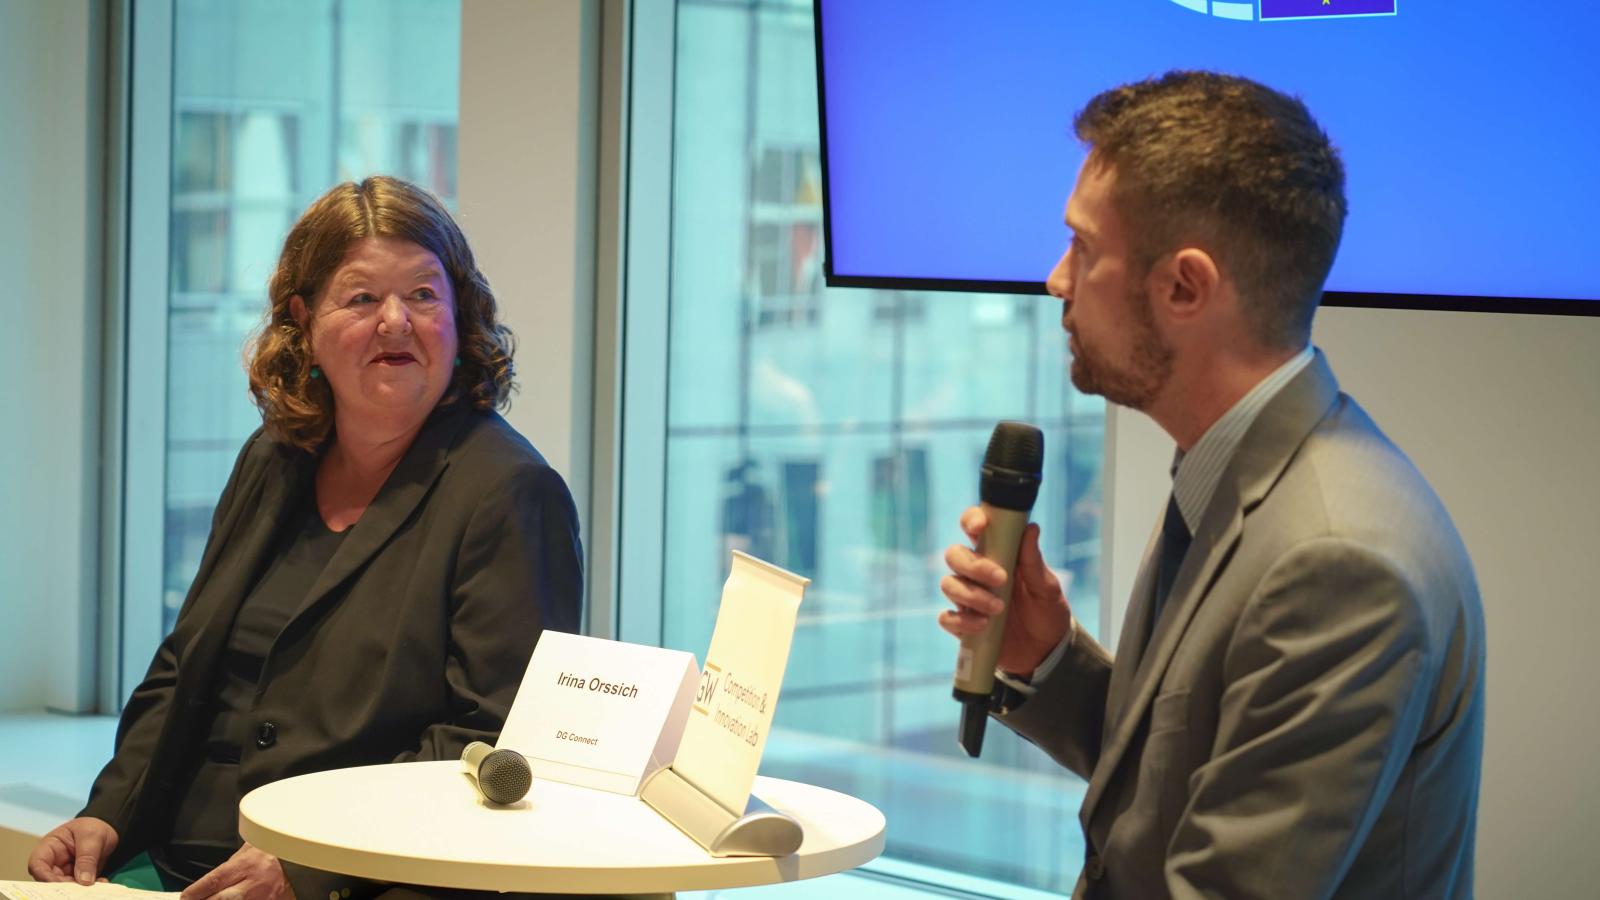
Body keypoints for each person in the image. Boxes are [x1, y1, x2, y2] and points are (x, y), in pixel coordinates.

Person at [939, 72, 1484, 899]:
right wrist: (1046, 658)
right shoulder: (1239, 467)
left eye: (1084, 249)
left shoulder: (1339, 565)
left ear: (1185, 287)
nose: (1057, 280)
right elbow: (1171, 780)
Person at [27, 176, 583, 900]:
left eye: (423, 295)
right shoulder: (274, 455)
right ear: (304, 320)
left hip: (351, 878)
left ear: (460, 315)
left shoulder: (508, 491)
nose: (396, 322)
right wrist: (105, 813)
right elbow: (184, 664)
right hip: (178, 849)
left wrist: (310, 863)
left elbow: (488, 744)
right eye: (360, 298)